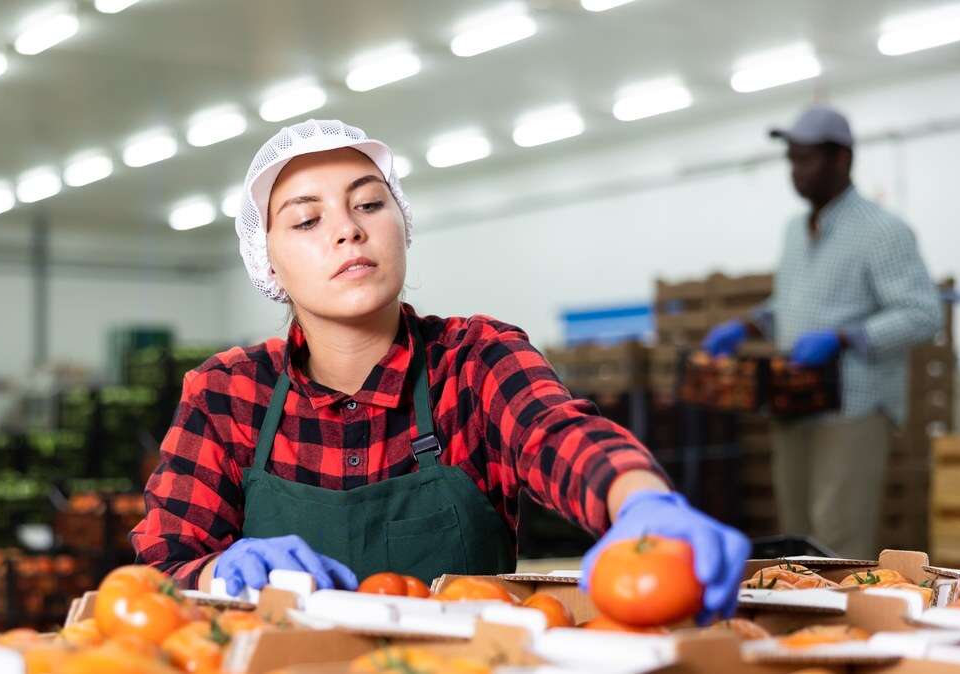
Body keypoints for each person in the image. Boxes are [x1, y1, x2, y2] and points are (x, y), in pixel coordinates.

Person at [130, 119, 749, 623]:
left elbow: (558, 435)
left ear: (401, 225)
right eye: (307, 220)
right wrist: (220, 571)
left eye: (369, 204)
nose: (348, 230)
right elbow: (160, 569)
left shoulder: (475, 359)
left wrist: (641, 504)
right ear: (267, 261)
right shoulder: (227, 393)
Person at [702, 106, 942, 559]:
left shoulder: (882, 231)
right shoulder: (796, 231)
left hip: (852, 407)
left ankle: (845, 628)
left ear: (842, 160)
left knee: (838, 538)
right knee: (798, 539)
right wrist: (748, 324)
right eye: (791, 159)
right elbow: (791, 302)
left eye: (806, 159)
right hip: (794, 402)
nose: (796, 171)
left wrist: (844, 338)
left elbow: (922, 312)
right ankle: (804, 624)